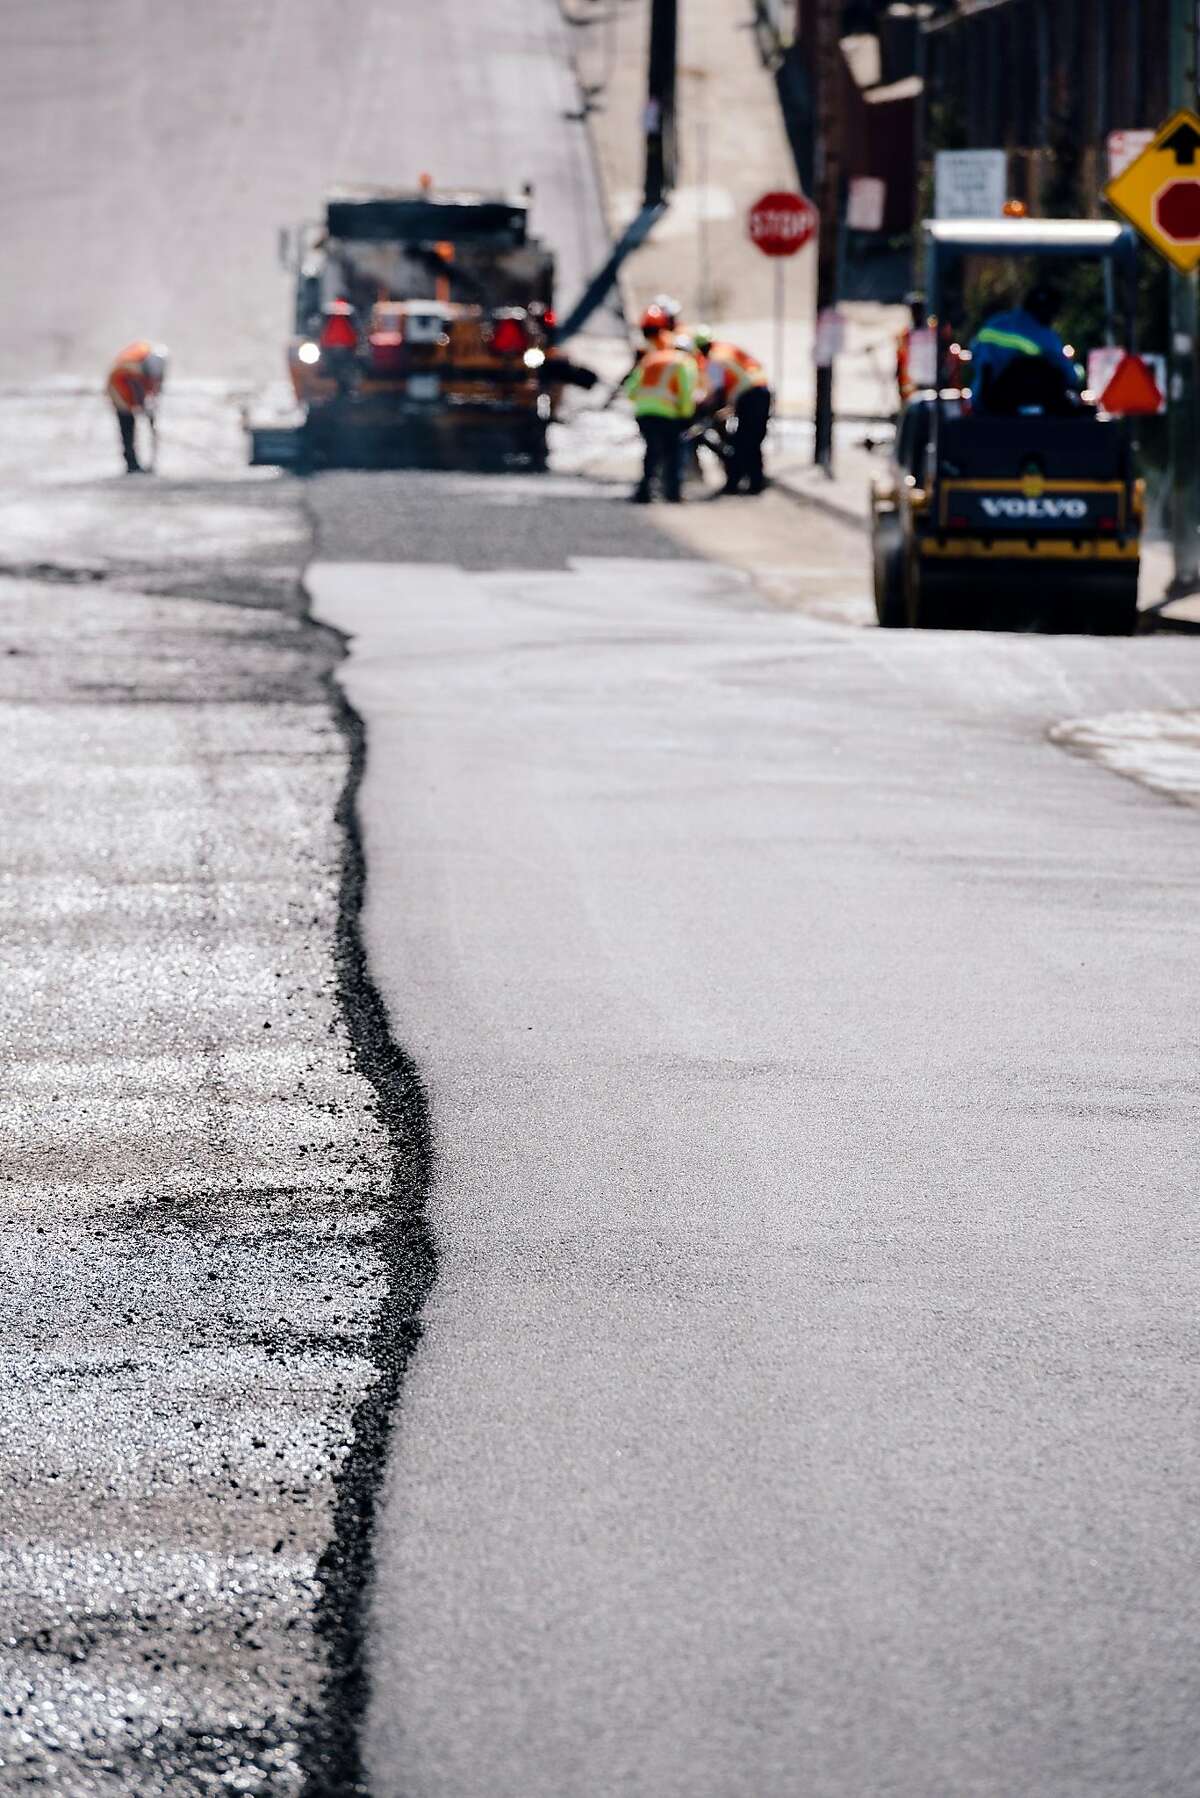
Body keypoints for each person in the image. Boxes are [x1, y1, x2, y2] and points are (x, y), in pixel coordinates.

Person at [969, 284, 1080, 412]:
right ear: (1049, 310)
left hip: (986, 404)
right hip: (1028, 408)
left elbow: (976, 357)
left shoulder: (995, 323)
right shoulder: (1045, 335)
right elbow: (1069, 376)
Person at [623, 316, 699, 504]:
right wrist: (686, 415)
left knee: (652, 451)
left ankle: (645, 491)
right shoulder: (684, 362)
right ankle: (672, 492)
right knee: (673, 452)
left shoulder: (652, 358)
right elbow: (686, 392)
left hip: (644, 413)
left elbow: (631, 389)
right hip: (668, 414)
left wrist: (646, 402)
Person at [692, 327, 771, 495]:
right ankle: (754, 482)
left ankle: (740, 483)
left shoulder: (713, 359)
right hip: (761, 391)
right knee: (752, 440)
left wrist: (708, 409)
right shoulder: (727, 349)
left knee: (744, 440)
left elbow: (717, 391)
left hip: (749, 396)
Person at [106, 341, 167, 473]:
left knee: (141, 424)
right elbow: (136, 387)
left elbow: (155, 386)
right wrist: (141, 405)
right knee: (127, 426)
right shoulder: (130, 365)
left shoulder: (153, 362)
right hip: (119, 392)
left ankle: (147, 462)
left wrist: (151, 404)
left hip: (130, 391)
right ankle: (131, 463)